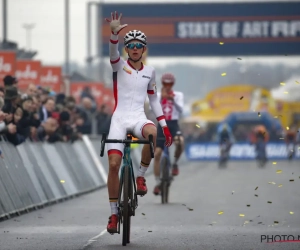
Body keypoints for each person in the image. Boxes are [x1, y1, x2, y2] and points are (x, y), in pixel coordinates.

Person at [104, 11, 172, 234]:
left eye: (138, 45)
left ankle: (141, 177)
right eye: (130, 44)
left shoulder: (150, 72)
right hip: (120, 118)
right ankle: (114, 213)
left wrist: (164, 125)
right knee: (114, 165)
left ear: (143, 49)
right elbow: (112, 53)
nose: (134, 48)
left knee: (151, 133)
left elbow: (153, 99)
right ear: (126, 49)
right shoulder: (119, 65)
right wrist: (114, 34)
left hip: (138, 118)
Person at [152, 73, 184, 195]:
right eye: (165, 83)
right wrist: (161, 99)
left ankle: (175, 163)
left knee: (180, 141)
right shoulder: (157, 95)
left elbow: (181, 110)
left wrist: (172, 100)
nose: (167, 86)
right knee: (157, 153)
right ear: (162, 83)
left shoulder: (178, 95)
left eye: (169, 83)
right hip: (161, 124)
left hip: (173, 124)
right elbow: (151, 109)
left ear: (173, 84)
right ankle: (156, 182)